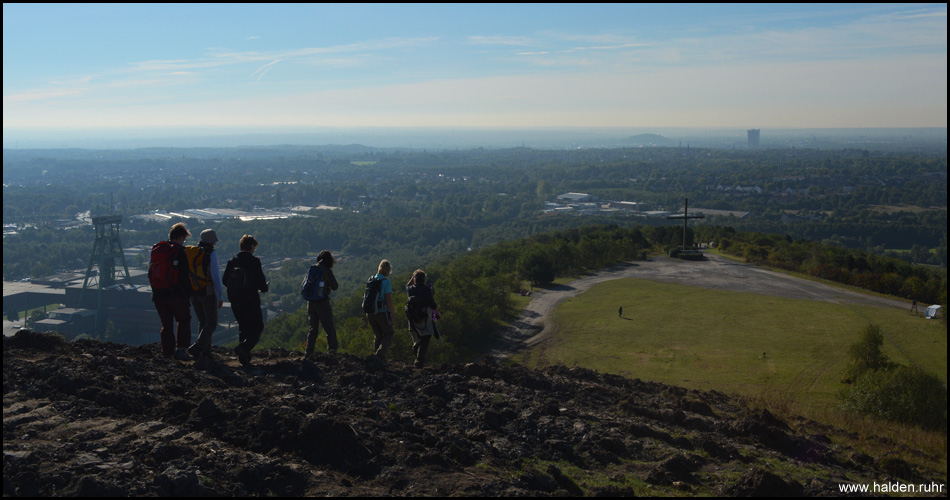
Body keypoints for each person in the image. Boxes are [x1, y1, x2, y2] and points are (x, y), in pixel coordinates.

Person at [222, 235, 269, 367]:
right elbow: (261, 284)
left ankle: (245, 357)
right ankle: (244, 348)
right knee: (258, 326)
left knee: (243, 327)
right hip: (251, 300)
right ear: (252, 247)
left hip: (236, 301)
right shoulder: (254, 261)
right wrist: (264, 286)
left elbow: (225, 280)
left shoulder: (232, 261)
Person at [150, 222, 193, 360]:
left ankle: (167, 352)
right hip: (176, 294)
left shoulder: (158, 250)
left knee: (166, 324)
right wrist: (189, 294)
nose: (184, 241)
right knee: (184, 320)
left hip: (158, 294)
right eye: (184, 239)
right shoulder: (179, 252)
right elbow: (184, 276)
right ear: (180, 237)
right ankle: (181, 351)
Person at [187, 229, 224, 359]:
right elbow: (216, 277)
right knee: (212, 323)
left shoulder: (193, 252)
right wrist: (220, 296)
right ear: (212, 241)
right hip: (207, 292)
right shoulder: (211, 254)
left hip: (193, 292)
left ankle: (206, 352)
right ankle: (197, 347)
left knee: (202, 322)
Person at [304, 250, 339, 358]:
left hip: (310, 303)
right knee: (329, 327)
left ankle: (309, 351)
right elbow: (335, 286)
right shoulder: (327, 271)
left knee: (313, 328)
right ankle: (332, 351)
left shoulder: (312, 269)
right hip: (322, 303)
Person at [406, 269, 440, 369]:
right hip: (425, 317)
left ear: (415, 279)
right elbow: (433, 304)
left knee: (416, 339)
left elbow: (407, 285)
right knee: (426, 338)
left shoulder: (410, 289)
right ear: (424, 279)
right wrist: (438, 314)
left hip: (412, 318)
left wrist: (413, 277)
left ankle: (417, 359)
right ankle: (419, 361)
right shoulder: (426, 290)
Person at [367, 259, 395, 362]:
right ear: (388, 270)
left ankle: (375, 357)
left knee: (378, 334)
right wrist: (393, 314)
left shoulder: (371, 279)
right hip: (380, 312)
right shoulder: (386, 282)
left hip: (370, 312)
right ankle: (380, 354)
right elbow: (388, 300)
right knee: (388, 333)